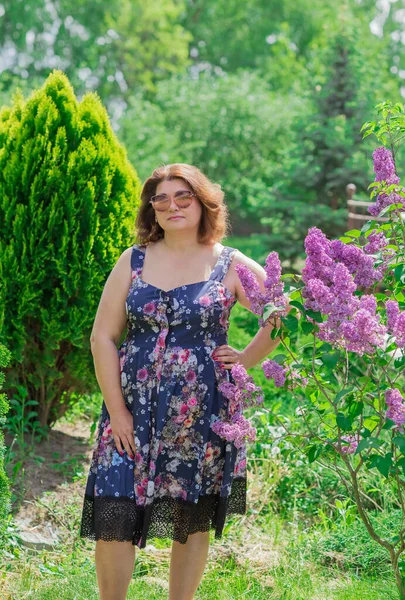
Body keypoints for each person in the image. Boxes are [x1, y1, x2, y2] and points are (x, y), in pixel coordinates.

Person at [79, 163, 280, 600]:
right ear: (152, 209)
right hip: (130, 410)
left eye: (182, 196)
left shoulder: (229, 263)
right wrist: (117, 412)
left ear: (203, 202)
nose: (172, 205)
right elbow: (103, 336)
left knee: (190, 518)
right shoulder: (133, 260)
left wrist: (246, 358)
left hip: (202, 412)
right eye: (161, 198)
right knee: (114, 512)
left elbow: (281, 312)